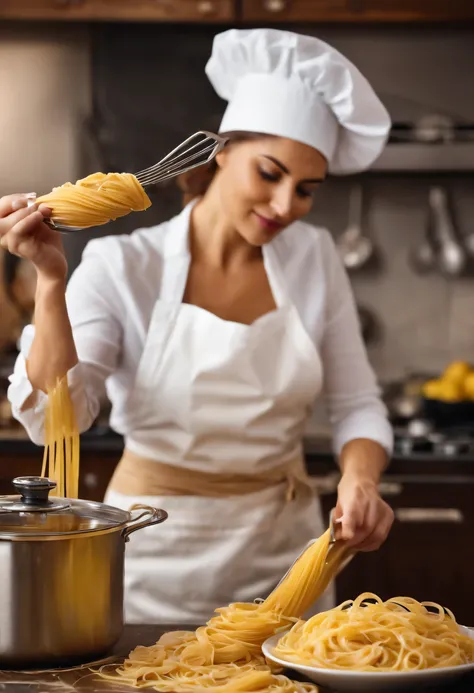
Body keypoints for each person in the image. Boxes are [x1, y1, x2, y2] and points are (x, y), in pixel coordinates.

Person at [2, 28, 394, 625]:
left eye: (307, 189)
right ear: (221, 154)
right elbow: (58, 415)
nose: (287, 204)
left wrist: (360, 480)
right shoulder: (124, 265)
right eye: (270, 173)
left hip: (286, 559)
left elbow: (358, 403)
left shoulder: (315, 258)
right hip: (149, 560)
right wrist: (51, 280)